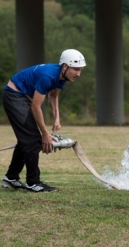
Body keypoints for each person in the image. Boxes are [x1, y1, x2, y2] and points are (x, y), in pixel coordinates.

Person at [2, 49, 86, 192]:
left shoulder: (61, 77)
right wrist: (45, 134)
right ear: (65, 66)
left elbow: (53, 97)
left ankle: (11, 178)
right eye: (76, 69)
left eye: (80, 70)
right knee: (33, 140)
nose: (78, 74)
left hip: (22, 98)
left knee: (26, 140)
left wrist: (56, 119)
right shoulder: (48, 76)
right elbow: (36, 107)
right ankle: (33, 183)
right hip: (14, 96)